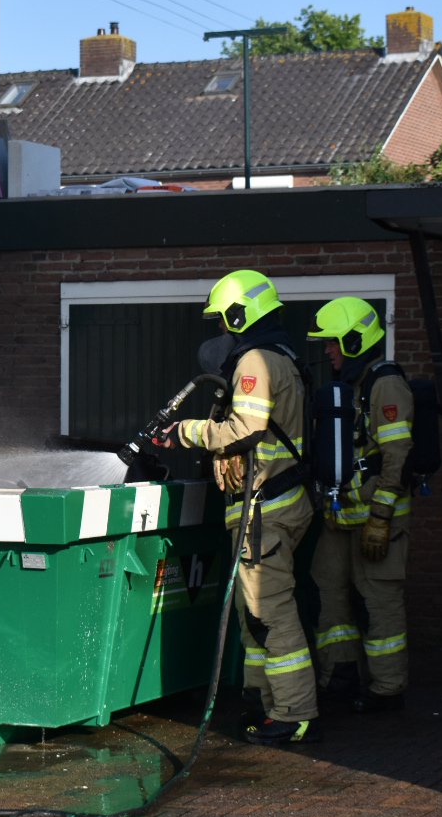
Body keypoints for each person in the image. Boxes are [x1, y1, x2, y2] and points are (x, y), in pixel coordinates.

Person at [158, 270, 318, 744]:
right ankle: (261, 701)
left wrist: (186, 431)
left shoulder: (254, 359)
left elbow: (243, 430)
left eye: (225, 322)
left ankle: (293, 714)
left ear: (239, 313)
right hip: (276, 503)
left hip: (266, 508)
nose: (222, 332)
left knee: (271, 612)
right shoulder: (281, 355)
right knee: (256, 612)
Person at [306, 297, 412, 713]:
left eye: (333, 343)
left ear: (354, 340)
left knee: (379, 602)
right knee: (328, 589)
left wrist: (382, 517)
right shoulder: (349, 384)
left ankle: (388, 691)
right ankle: (341, 676)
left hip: (375, 519)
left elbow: (397, 455)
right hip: (340, 517)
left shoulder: (384, 383)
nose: (328, 350)